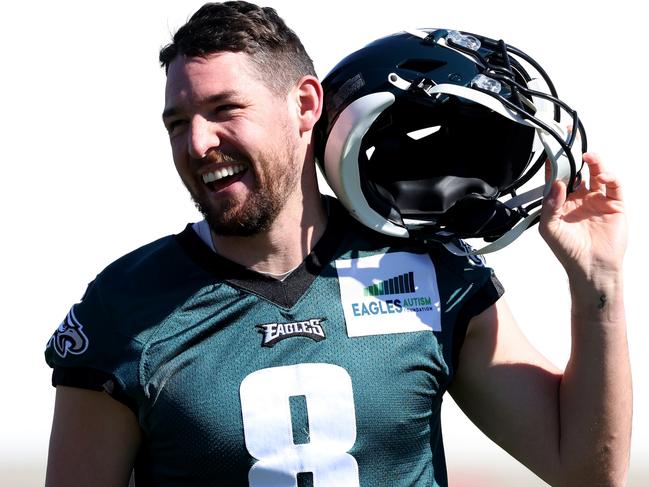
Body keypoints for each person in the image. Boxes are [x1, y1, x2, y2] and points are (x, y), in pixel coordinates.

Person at [44, 2, 631, 486]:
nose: (198, 143)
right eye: (178, 122)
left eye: (225, 110)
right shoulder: (125, 306)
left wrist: (597, 281)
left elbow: (586, 470)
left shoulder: (430, 273)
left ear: (304, 105)